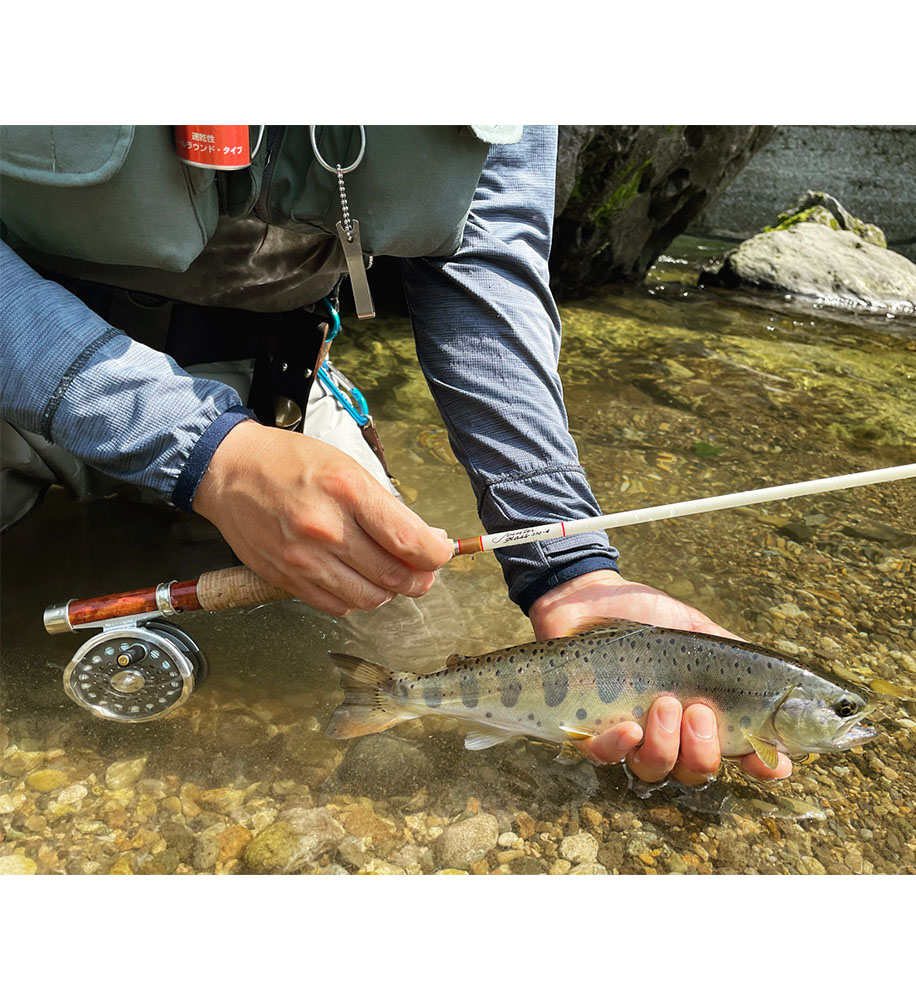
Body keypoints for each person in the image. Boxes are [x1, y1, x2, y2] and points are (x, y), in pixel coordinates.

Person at [0, 124, 792, 786]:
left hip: (274, 389)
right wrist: (210, 456)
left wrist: (565, 558)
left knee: (402, 622)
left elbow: (485, 257)